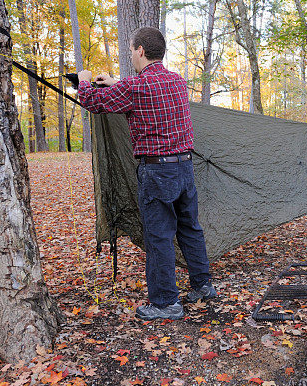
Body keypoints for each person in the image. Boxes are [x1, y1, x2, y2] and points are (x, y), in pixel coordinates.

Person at [77, 27, 216, 320]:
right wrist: (115, 81)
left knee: (159, 237)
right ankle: (203, 286)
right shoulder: (177, 82)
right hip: (184, 168)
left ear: (140, 50)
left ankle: (166, 302)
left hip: (157, 172)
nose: (131, 54)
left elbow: (92, 102)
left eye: (131, 50)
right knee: (190, 228)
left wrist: (85, 80)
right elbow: (141, 88)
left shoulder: (135, 89)